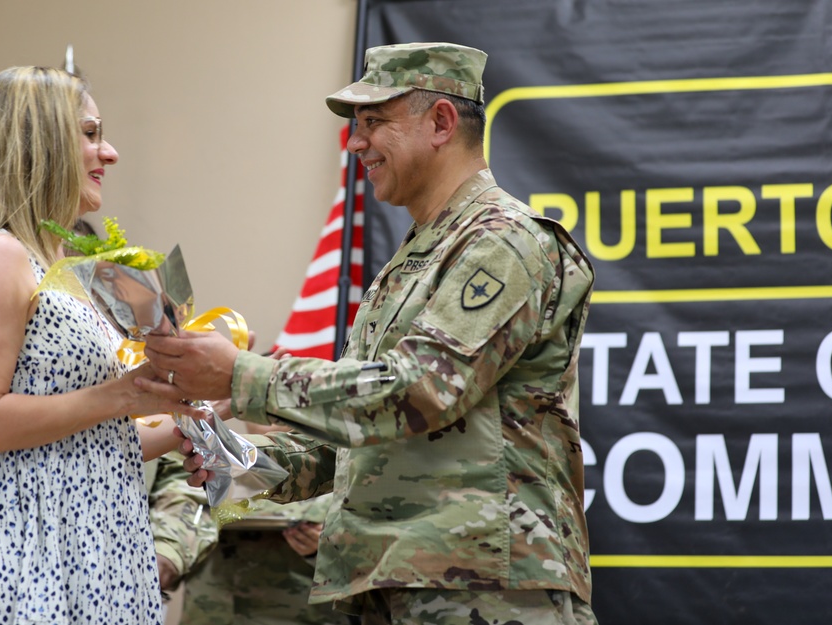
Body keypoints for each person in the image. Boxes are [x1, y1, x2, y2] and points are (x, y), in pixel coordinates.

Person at [138, 42, 598, 625]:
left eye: (374, 123)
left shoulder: (505, 241)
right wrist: (244, 464)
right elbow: (360, 440)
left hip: (487, 587)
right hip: (389, 584)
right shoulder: (413, 259)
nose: (356, 144)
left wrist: (240, 374)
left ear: (441, 122)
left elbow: (421, 390)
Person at [0, 65, 201, 624]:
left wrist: (185, 421)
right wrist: (125, 396)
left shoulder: (63, 264)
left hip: (79, 541)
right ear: (37, 144)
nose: (110, 152)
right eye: (90, 132)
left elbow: (80, 437)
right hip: (13, 545)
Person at [149, 424, 353, 625]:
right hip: (210, 614)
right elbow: (184, 511)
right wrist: (166, 557)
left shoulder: (338, 467)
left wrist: (320, 552)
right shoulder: (213, 461)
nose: (271, 418)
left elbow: (370, 565)